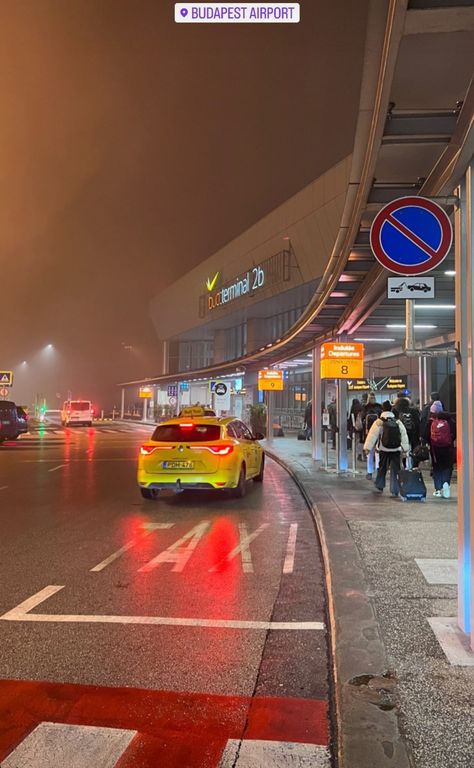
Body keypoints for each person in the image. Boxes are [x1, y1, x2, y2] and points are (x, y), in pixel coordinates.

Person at [363, 403, 410, 498]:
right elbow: (404, 435)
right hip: (396, 449)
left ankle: (380, 485)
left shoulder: (379, 422)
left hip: (384, 449)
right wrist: (405, 449)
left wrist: (367, 448)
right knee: (395, 469)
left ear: (382, 410)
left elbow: (372, 435)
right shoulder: (397, 422)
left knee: (382, 467)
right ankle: (395, 489)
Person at [424, 400, 455, 498]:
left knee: (437, 468)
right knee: (447, 466)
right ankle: (446, 483)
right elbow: (455, 432)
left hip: (435, 449)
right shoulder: (449, 420)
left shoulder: (430, 421)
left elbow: (425, 435)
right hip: (448, 448)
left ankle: (438, 489)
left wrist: (430, 442)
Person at [392, 395, 420, 469]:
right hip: (413, 435)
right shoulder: (414, 411)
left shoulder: (395, 411)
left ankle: (404, 466)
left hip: (401, 435)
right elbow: (418, 423)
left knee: (403, 451)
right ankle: (414, 466)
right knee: (413, 450)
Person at [362, 393, 382, 479]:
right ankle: (377, 469)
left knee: (369, 452)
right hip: (378, 432)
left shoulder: (365, 408)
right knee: (377, 452)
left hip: (368, 432)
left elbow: (363, 419)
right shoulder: (379, 407)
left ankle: (370, 471)